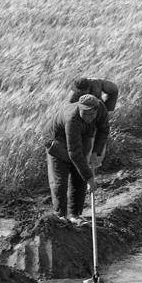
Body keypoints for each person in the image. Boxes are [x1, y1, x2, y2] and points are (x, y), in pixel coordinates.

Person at [45, 94, 102, 223]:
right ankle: (60, 216)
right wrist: (89, 178)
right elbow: (74, 153)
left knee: (79, 174)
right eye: (84, 112)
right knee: (60, 180)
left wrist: (92, 155)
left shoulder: (97, 114)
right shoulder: (72, 119)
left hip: (75, 139)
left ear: (96, 111)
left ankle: (74, 215)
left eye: (90, 113)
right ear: (79, 108)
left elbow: (90, 137)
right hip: (56, 141)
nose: (86, 116)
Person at [66, 78, 119, 169]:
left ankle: (94, 166)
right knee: (86, 146)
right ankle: (88, 171)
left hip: (98, 115)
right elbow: (69, 114)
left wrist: (106, 110)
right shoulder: (72, 97)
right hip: (84, 121)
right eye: (79, 92)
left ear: (89, 88)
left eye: (84, 92)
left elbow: (114, 90)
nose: (81, 94)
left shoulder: (97, 83)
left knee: (100, 141)